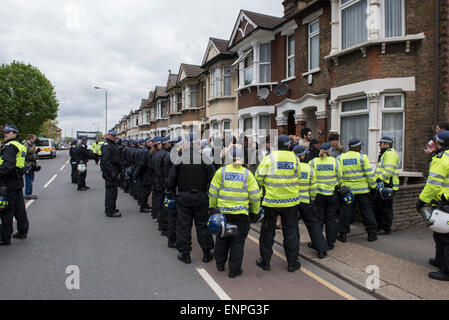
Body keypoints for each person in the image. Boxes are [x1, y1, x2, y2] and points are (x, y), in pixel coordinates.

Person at [208, 148, 261, 278]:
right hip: (241, 215)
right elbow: (255, 196)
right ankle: (234, 270)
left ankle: (220, 265)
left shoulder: (221, 172)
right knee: (238, 242)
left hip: (223, 213)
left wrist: (213, 208)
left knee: (222, 239)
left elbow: (213, 192)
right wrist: (255, 211)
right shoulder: (247, 174)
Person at [255, 135, 302, 272]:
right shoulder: (295, 158)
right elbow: (298, 176)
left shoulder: (270, 158)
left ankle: (265, 262)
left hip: (271, 201)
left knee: (267, 232)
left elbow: (258, 177)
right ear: (288, 145)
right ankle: (292, 263)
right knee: (291, 232)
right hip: (291, 202)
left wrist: (267, 186)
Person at [168, 133, 215, 264]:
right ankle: (206, 253)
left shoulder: (179, 159)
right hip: (201, 196)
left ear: (186, 144)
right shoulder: (205, 158)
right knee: (202, 225)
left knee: (184, 225)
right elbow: (214, 178)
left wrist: (171, 192)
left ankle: (185, 254)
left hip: (183, 196)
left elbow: (171, 180)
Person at [416, 130, 449, 281]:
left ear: (439, 143)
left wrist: (421, 201)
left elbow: (433, 185)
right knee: (440, 234)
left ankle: (446, 270)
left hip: (445, 201)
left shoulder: (441, 159)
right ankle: (440, 260)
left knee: (444, 237)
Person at [337, 138, 378, 243]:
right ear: (358, 147)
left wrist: (341, 186)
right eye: (360, 146)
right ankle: (372, 234)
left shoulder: (340, 158)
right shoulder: (362, 158)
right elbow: (369, 175)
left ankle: (343, 234)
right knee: (367, 212)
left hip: (348, 191)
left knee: (345, 212)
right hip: (362, 191)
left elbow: (338, 175)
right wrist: (373, 187)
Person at [293, 145, 329, 259]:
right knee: (313, 225)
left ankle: (294, 251)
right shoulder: (309, 168)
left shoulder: (291, 168)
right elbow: (313, 187)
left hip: (293, 201)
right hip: (306, 200)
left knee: (292, 227)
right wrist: (312, 199)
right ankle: (321, 250)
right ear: (302, 155)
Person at [0, 125, 29, 244]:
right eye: (4, 132)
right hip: (17, 180)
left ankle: (5, 237)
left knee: (6, 210)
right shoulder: (21, 146)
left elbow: (8, 165)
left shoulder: (10, 146)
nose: (5, 134)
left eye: (8, 132)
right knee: (19, 208)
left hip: (8, 181)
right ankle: (22, 231)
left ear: (15, 133)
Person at [308, 143, 339, 250]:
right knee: (331, 219)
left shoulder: (313, 162)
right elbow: (341, 177)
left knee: (318, 220)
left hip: (318, 195)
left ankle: (317, 243)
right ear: (330, 151)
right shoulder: (335, 161)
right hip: (332, 194)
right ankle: (330, 243)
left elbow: (310, 177)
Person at [374, 136, 401, 235]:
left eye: (380, 143)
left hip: (387, 185)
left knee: (385, 209)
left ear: (386, 144)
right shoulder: (385, 153)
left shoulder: (389, 154)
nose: (379, 146)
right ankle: (381, 227)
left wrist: (379, 179)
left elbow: (388, 171)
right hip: (384, 184)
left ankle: (385, 228)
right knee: (381, 207)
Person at [100, 130, 121, 217]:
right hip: (110, 172)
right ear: (108, 135)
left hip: (114, 170)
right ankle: (110, 211)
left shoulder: (113, 144)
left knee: (114, 192)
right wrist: (111, 171)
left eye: (115, 135)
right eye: (112, 135)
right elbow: (106, 161)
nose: (114, 137)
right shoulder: (107, 146)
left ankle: (112, 207)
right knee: (111, 192)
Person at [135, 138, 153, 213]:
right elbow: (142, 164)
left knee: (146, 191)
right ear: (147, 142)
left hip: (145, 174)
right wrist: (137, 174)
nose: (152, 143)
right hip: (145, 174)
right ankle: (143, 207)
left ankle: (144, 205)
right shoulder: (145, 151)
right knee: (146, 191)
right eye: (151, 142)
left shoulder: (146, 150)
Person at [22, 134, 39, 200]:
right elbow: (24, 154)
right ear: (30, 139)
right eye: (34, 139)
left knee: (31, 180)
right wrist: (25, 166)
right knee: (28, 180)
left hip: (31, 164)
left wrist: (36, 152)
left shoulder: (31, 145)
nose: (35, 140)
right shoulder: (26, 144)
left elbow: (32, 155)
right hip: (27, 165)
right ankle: (27, 194)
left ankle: (29, 193)